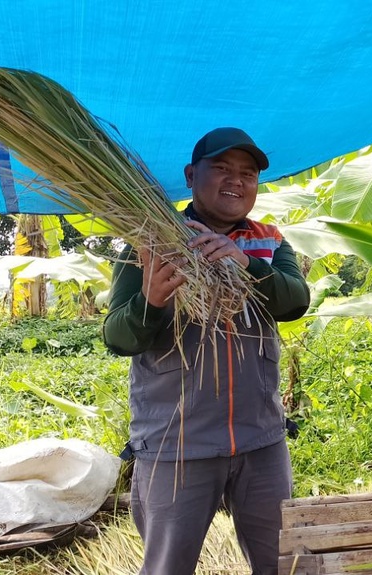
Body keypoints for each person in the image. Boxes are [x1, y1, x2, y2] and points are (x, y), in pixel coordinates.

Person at [102, 127, 311, 575]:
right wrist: (151, 302)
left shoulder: (269, 242)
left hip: (261, 440)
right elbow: (117, 337)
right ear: (191, 175)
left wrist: (246, 265)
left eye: (248, 173)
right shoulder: (150, 240)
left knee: (283, 564)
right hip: (177, 445)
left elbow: (295, 300)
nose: (236, 181)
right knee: (168, 567)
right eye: (221, 169)